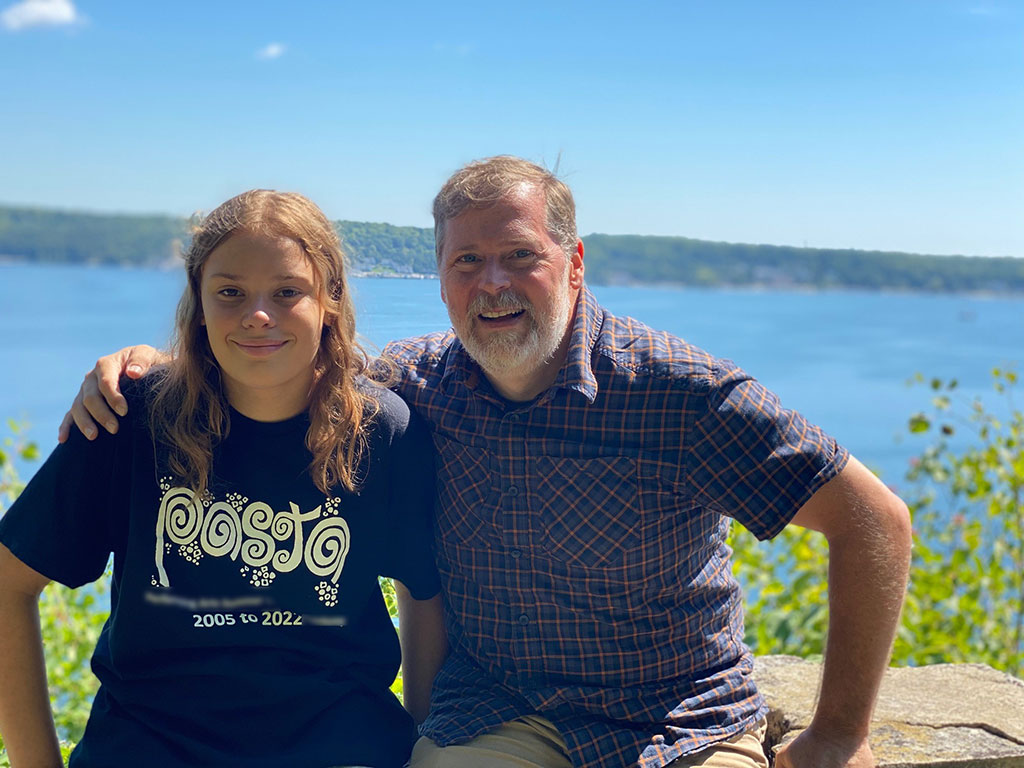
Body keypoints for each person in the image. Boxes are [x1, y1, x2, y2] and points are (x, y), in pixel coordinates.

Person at [60, 157, 912, 768]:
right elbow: (275, 358)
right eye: (467, 262)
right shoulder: (414, 386)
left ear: (573, 264)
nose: (492, 284)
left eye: (520, 257)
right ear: (440, 279)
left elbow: (871, 519)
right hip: (501, 712)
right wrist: (146, 369)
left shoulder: (680, 394)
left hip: (677, 716)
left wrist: (839, 730)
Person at [0, 190, 447, 768]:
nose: (258, 314)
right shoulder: (131, 419)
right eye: (230, 292)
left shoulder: (383, 432)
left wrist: (420, 739)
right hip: (145, 748)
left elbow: (422, 590)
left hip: (339, 747)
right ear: (200, 303)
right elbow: (10, 583)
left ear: (330, 301)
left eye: (288, 291)